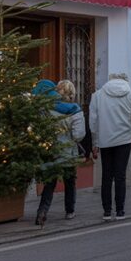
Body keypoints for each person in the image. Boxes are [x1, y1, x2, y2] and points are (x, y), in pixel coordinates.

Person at [33, 79, 85, 227]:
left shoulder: (44, 108)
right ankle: (70, 211)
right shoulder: (74, 109)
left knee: (49, 184)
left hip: (50, 151)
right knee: (70, 182)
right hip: (68, 152)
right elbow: (78, 135)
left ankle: (42, 212)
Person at [89, 72, 131, 221]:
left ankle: (106, 211)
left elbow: (93, 122)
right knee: (120, 176)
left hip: (105, 140)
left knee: (106, 175)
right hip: (124, 140)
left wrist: (95, 143)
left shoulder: (97, 95)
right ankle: (120, 211)